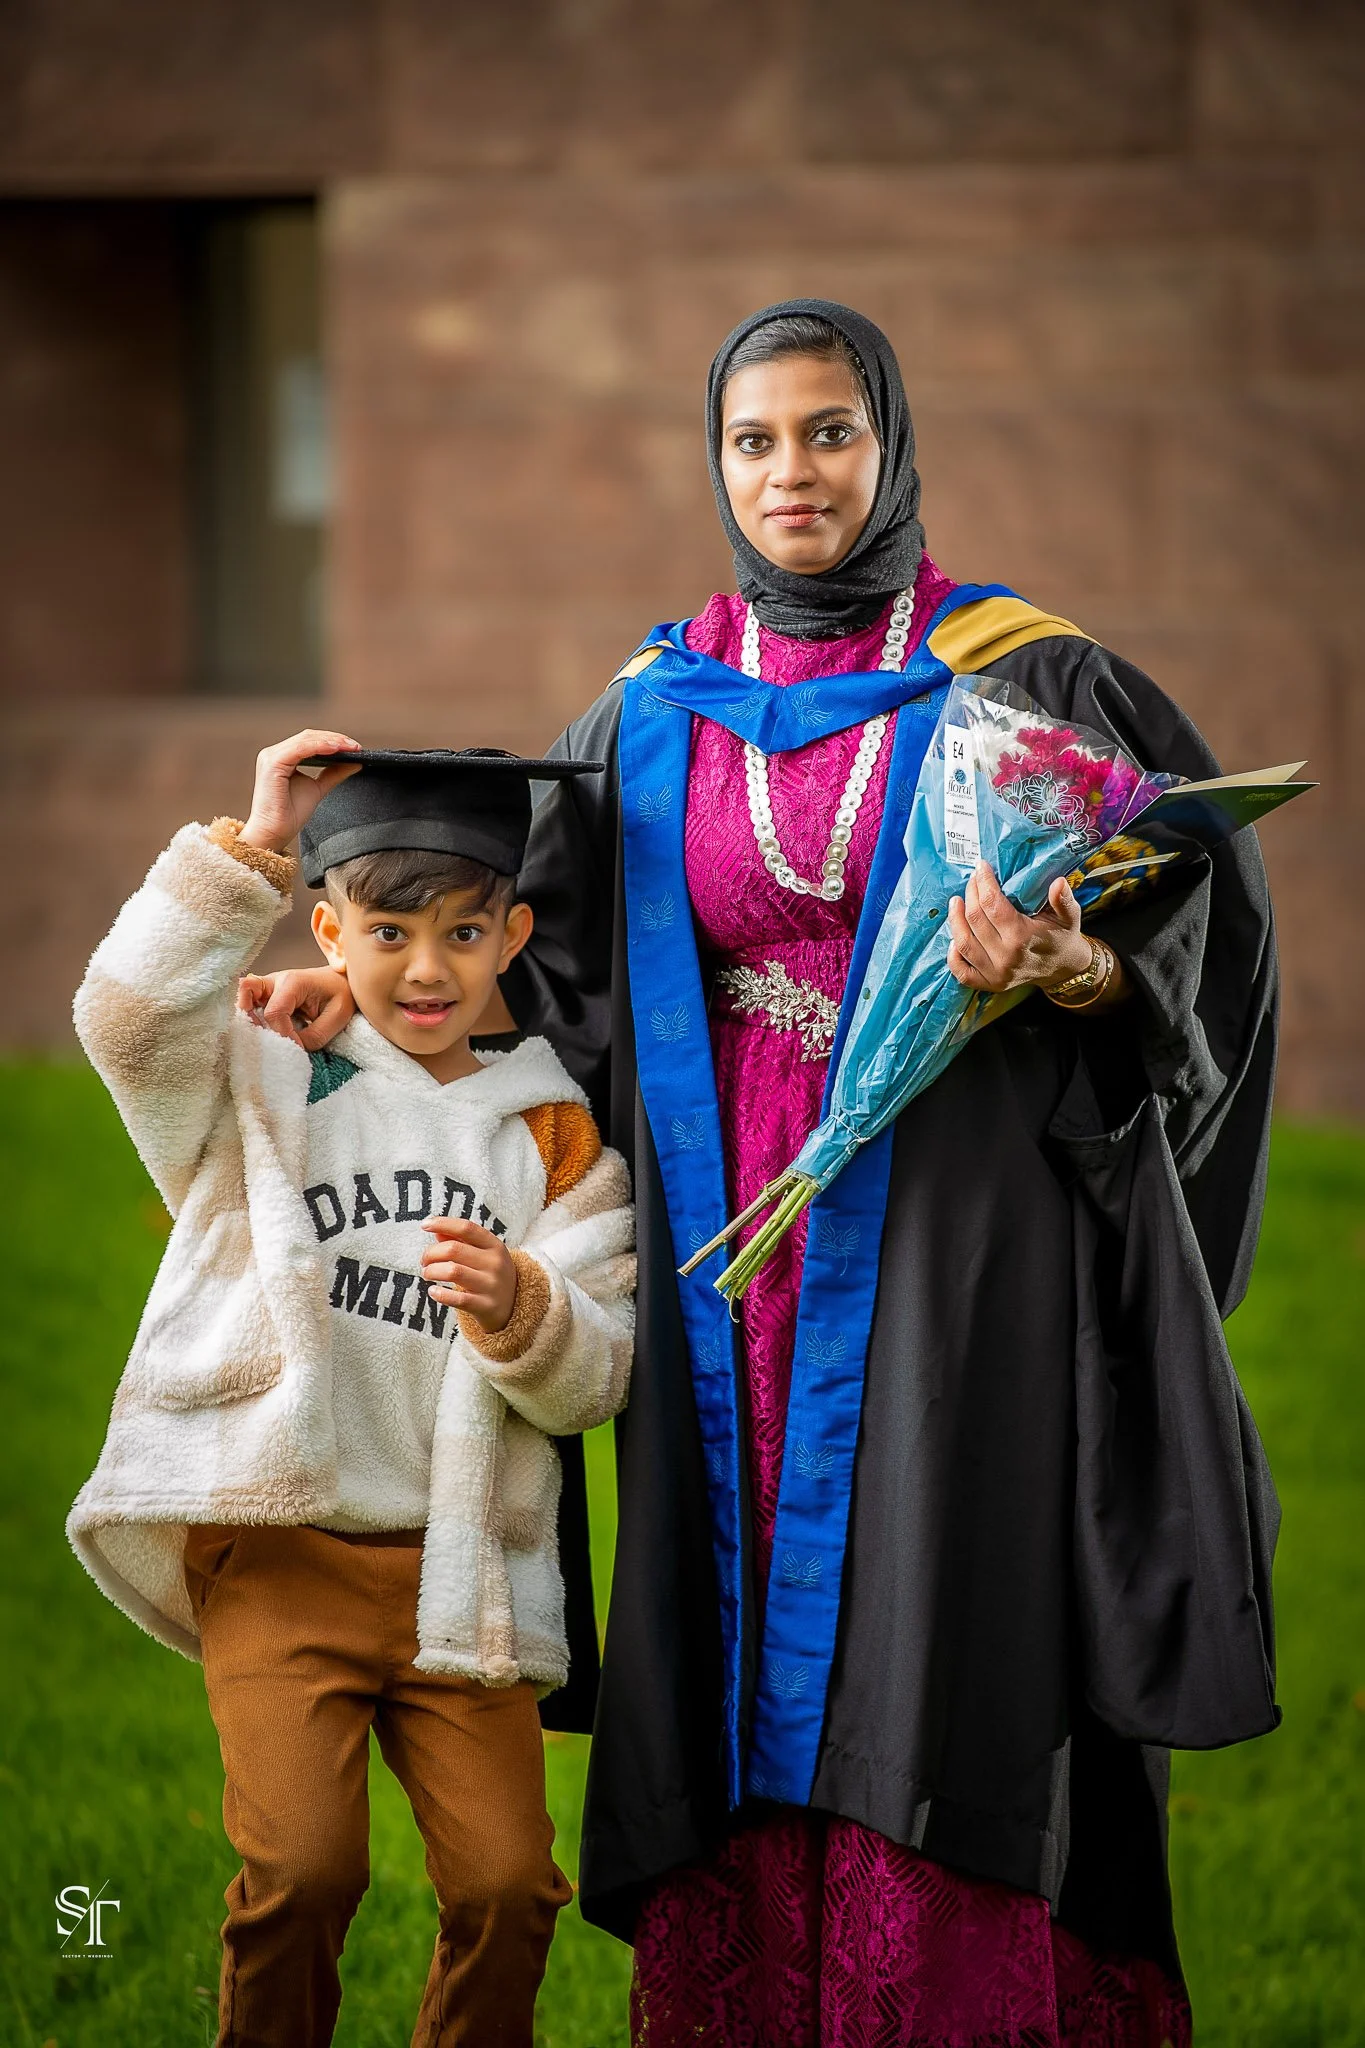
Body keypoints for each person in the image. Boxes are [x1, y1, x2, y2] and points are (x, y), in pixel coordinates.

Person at [255, 301, 1280, 2048]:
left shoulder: (1030, 677)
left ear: (890, 446)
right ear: (714, 461)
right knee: (724, 1615)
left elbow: (1200, 941)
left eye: (828, 432)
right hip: (727, 1269)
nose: (790, 472)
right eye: (752, 440)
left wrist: (1072, 973)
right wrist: (347, 998)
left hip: (963, 1260)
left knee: (947, 1609)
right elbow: (523, 963)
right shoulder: (652, 702)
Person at [67, 730, 636, 2048]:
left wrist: (526, 1312)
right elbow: (129, 1015)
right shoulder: (263, 1068)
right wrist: (251, 843)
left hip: (463, 1578)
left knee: (509, 1887)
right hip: (281, 1547)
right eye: (385, 932)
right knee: (306, 1874)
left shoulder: (552, 1136)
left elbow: (598, 1371)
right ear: (326, 926)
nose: (424, 968)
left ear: (513, 934)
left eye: (460, 933)